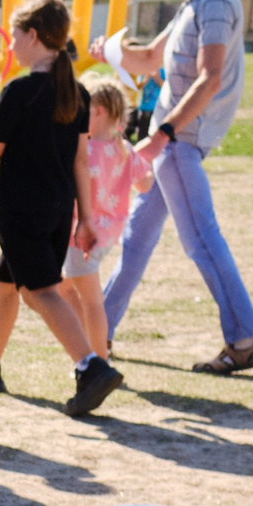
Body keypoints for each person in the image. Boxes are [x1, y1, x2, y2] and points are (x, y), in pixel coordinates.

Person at [0, 0, 125, 419]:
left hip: (23, 212)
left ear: (33, 36)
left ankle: (91, 366)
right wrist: (87, 218)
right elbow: (80, 159)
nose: (10, 45)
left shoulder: (20, 91)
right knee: (7, 284)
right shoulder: (74, 91)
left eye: (15, 35)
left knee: (40, 290)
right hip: (58, 211)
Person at [101, 0, 253, 374]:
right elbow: (150, 59)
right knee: (136, 238)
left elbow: (209, 77)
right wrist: (111, 52)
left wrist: (164, 134)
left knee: (200, 239)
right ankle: (98, 329)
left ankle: (244, 340)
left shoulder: (214, 1)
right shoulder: (195, 1)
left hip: (180, 142)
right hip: (172, 142)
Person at [65, 75, 151, 358]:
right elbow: (146, 183)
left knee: (89, 301)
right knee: (65, 289)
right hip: (107, 235)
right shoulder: (124, 150)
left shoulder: (83, 151)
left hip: (83, 238)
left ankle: (98, 360)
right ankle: (92, 352)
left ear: (98, 110)